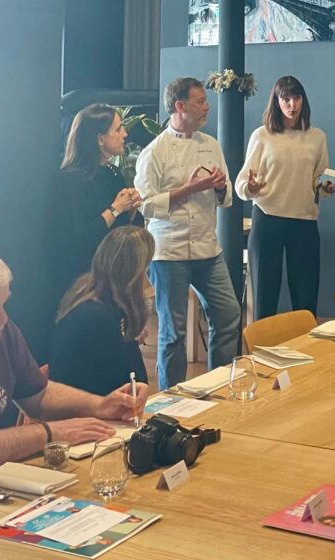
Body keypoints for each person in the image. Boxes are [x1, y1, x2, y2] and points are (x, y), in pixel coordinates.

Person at [0, 252, 148, 469]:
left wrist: (99, 405)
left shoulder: (4, 331)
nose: (2, 319)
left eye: (2, 305)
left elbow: (39, 395)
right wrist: (48, 432)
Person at [135, 77, 240, 390]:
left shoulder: (211, 144)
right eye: (200, 101)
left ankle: (219, 387)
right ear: (179, 106)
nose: (207, 106)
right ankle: (171, 401)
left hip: (209, 249)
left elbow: (229, 196)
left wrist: (220, 187)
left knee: (229, 315)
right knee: (173, 333)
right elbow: (146, 206)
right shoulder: (154, 152)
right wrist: (188, 189)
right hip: (169, 253)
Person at [235, 75, 331, 320]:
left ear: (303, 101)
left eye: (296, 98)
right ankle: (262, 353)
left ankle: (307, 351)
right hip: (268, 218)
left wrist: (326, 188)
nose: (292, 105)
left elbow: (318, 179)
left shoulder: (316, 136)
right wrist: (252, 188)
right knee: (265, 296)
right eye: (285, 99)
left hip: (304, 220)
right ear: (276, 102)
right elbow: (241, 185)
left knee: (306, 297)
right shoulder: (262, 136)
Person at [51, 103, 143, 306]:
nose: (125, 134)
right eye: (118, 129)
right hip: (83, 280)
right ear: (100, 139)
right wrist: (116, 208)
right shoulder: (70, 181)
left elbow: (123, 229)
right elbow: (81, 238)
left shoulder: (112, 172)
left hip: (114, 274)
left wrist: (132, 208)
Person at [48, 227, 154, 395]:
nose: (148, 280)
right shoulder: (96, 316)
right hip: (86, 413)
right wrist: (130, 342)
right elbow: (133, 388)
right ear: (133, 273)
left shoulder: (86, 293)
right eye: (146, 271)